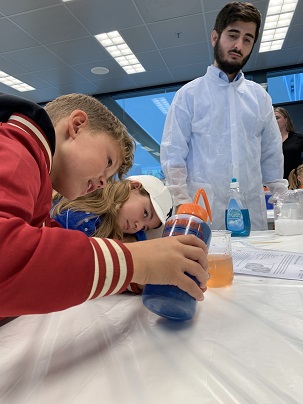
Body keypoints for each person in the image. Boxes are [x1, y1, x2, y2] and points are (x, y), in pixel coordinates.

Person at [0, 92, 209, 323]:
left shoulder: (38, 189)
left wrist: (141, 276)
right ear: (77, 126)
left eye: (109, 176)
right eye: (108, 161)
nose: (103, 182)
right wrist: (136, 261)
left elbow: (47, 265)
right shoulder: (14, 149)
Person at [161, 2, 288, 231]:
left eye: (247, 39)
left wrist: (285, 203)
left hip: (252, 218)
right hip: (204, 218)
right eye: (233, 35)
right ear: (215, 37)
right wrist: (181, 203)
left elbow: (271, 155)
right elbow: (173, 157)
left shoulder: (259, 98)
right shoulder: (189, 95)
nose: (239, 45)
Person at [51, 175, 173, 242]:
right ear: (133, 186)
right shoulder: (83, 219)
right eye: (145, 214)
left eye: (144, 227)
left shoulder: (107, 222)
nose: (138, 226)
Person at [274, 107, 303, 180]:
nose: (274, 121)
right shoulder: (268, 142)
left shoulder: (298, 138)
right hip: (274, 184)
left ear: (286, 120)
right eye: (272, 119)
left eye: (277, 118)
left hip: (294, 183)